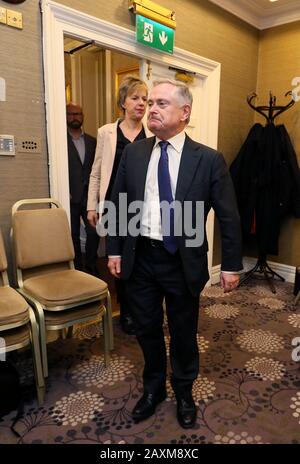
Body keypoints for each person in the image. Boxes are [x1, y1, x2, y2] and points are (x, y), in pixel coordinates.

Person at [107, 79, 243, 429]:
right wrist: (115, 250)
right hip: (141, 260)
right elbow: (116, 201)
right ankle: (153, 389)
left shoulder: (209, 160)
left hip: (183, 262)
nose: (151, 108)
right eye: (150, 102)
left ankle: (184, 391)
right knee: (146, 329)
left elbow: (228, 215)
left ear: (185, 112)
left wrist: (230, 265)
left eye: (162, 103)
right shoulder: (135, 152)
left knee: (183, 332)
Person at [87, 76, 151, 335]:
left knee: (144, 261)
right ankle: (126, 312)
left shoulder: (152, 133)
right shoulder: (107, 132)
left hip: (145, 208)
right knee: (120, 260)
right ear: (123, 102)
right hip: (116, 206)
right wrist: (92, 205)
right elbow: (96, 172)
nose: (142, 104)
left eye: (145, 99)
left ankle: (143, 310)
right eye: (135, 98)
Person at [66, 103, 99, 275]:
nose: (75, 117)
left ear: (83, 116)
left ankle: (92, 267)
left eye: (78, 113)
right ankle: (78, 269)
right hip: (70, 196)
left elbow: (97, 169)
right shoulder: (61, 142)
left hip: (90, 198)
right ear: (65, 116)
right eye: (71, 114)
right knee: (73, 235)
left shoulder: (93, 141)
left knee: (94, 233)